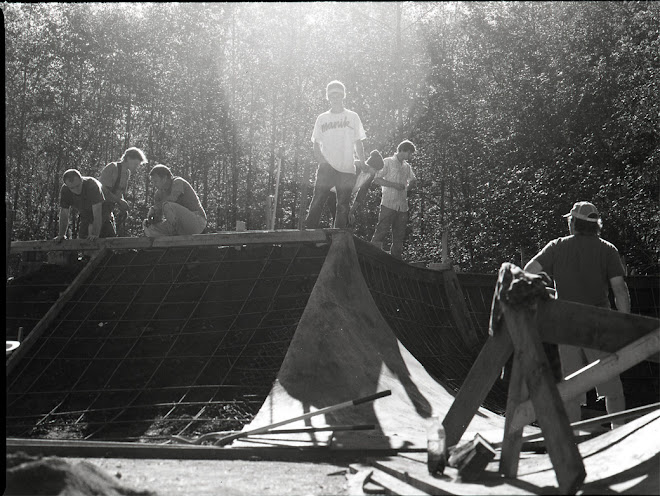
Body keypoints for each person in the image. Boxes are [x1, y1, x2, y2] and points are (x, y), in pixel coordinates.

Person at [524, 201, 630, 429]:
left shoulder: (557, 247)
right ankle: (619, 436)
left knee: (570, 390)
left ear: (573, 223)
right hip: (599, 327)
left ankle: (572, 442)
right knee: (612, 390)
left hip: (566, 327)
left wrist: (546, 294)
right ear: (596, 226)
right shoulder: (608, 250)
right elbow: (619, 290)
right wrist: (624, 326)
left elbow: (527, 273)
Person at [304, 80, 367, 229]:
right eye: (332, 95)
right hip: (327, 167)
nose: (335, 98)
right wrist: (322, 162)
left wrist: (363, 163)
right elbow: (316, 143)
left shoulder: (352, 116)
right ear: (328, 97)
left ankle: (339, 237)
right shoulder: (322, 118)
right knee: (318, 200)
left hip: (346, 168)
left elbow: (358, 142)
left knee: (342, 206)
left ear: (343, 96)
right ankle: (308, 233)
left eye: (338, 94)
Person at [370, 140, 418, 259]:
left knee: (399, 236)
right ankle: (372, 256)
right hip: (388, 204)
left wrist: (408, 187)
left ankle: (396, 261)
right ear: (402, 150)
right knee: (381, 230)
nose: (410, 156)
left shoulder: (407, 166)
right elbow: (377, 179)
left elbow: (413, 179)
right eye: (409, 153)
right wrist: (394, 185)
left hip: (402, 206)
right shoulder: (388, 162)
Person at [143, 164, 207, 237]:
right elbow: (159, 217)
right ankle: (167, 242)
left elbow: (172, 199)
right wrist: (153, 219)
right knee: (147, 225)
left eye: (155, 181)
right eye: (152, 182)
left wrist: (154, 208)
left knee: (168, 205)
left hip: (196, 221)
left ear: (164, 178)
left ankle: (174, 239)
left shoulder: (178, 182)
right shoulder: (158, 194)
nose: (154, 184)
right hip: (179, 227)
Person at [99, 147, 147, 236]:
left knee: (111, 236)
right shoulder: (112, 167)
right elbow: (103, 190)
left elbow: (119, 192)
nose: (136, 167)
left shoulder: (126, 173)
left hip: (109, 208)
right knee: (101, 235)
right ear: (128, 158)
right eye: (135, 164)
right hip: (99, 207)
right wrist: (119, 201)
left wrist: (123, 206)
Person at [55, 169, 113, 241]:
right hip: (85, 214)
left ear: (81, 180)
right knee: (83, 240)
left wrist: (94, 235)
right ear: (67, 186)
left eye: (78, 186)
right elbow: (64, 213)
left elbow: (97, 213)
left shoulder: (91, 185)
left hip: (103, 212)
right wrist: (61, 235)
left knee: (106, 240)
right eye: (72, 188)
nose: (76, 190)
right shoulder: (65, 190)